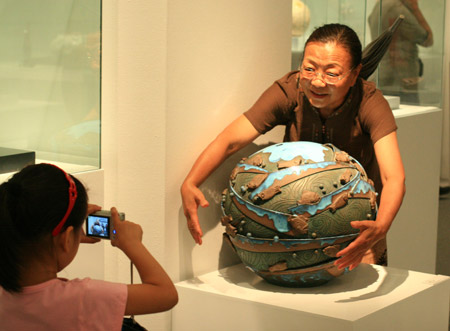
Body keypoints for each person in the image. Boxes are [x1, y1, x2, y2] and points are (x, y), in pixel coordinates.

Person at [181, 23, 406, 271]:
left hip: (354, 227)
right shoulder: (290, 90)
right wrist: (192, 181)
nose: (318, 82)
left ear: (354, 74)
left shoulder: (370, 102)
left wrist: (381, 226)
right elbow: (231, 139)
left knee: (358, 299)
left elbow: (392, 176)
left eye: (332, 73)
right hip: (294, 229)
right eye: (309, 69)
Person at [0, 164, 178, 330]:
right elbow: (166, 295)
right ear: (67, 238)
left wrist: (67, 239)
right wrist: (132, 244)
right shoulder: (82, 298)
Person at [368, 0, 433, 104]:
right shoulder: (397, 8)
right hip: (401, 79)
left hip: (384, 75)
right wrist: (415, 8)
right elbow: (427, 39)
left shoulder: (380, 5)